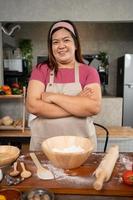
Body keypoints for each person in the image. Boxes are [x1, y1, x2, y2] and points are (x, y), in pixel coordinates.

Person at [26, 20, 102, 151]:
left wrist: (53, 97)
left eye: (66, 40)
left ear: (76, 44)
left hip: (80, 148)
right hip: (45, 148)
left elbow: (93, 107)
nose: (61, 45)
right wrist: (77, 103)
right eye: (55, 42)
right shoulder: (40, 70)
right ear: (51, 47)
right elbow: (33, 105)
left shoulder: (89, 71)